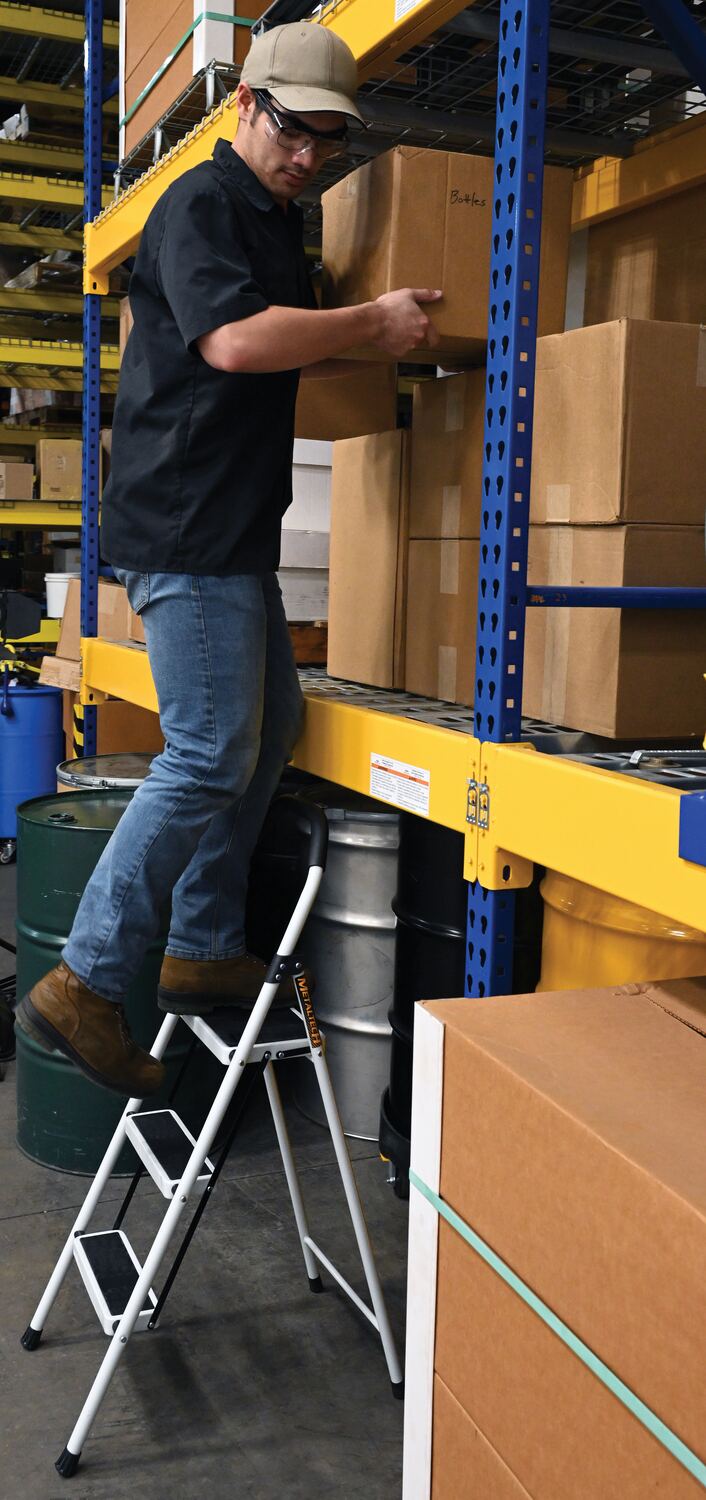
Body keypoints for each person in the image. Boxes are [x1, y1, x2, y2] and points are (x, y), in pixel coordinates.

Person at [15, 21, 441, 1098]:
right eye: (293, 129)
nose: (307, 154)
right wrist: (369, 318)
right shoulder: (201, 203)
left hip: (233, 531)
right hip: (188, 528)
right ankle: (86, 980)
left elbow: (274, 345)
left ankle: (201, 945)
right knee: (208, 753)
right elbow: (236, 341)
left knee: (269, 732)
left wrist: (363, 329)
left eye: (327, 140)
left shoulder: (273, 221)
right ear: (245, 103)